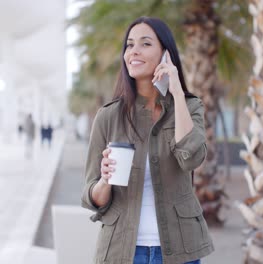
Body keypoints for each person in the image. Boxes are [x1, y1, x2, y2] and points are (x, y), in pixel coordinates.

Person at [81, 17, 214, 264]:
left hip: (180, 248)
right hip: (122, 250)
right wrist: (105, 180)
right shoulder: (108, 116)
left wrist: (176, 92)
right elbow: (90, 196)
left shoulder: (189, 106)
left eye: (145, 43)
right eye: (129, 45)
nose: (134, 51)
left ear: (166, 54)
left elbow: (192, 158)